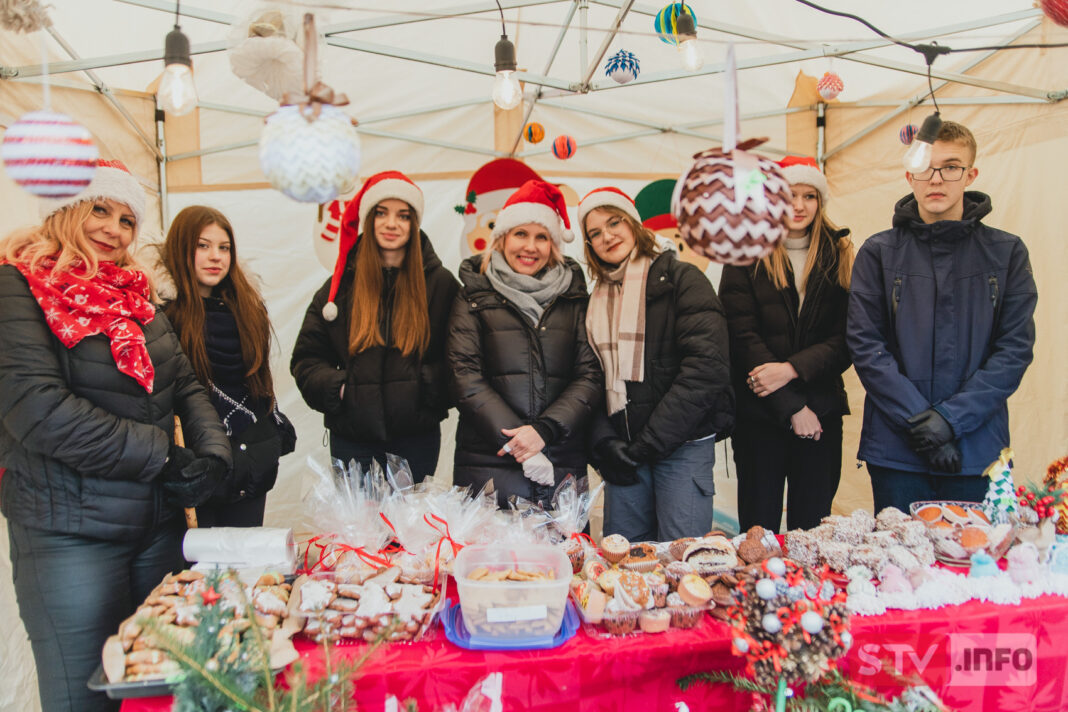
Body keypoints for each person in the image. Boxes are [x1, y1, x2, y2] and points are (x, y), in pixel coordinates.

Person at [0, 160, 231, 712]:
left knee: (164, 683)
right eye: (99, 209)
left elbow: (185, 384)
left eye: (127, 220)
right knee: (86, 694)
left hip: (154, 526)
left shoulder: (137, 295)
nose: (113, 229)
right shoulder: (17, 286)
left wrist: (212, 454)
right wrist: (162, 456)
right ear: (64, 209)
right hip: (69, 532)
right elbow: (39, 409)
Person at [848, 120, 1038, 513]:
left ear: (971, 173)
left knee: (973, 565)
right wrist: (923, 423)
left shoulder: (1006, 253)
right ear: (909, 175)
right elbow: (867, 347)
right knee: (899, 568)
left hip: (976, 448)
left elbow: (1014, 350)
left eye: (950, 167)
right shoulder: (879, 252)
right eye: (925, 168)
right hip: (897, 450)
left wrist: (950, 421)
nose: (936, 179)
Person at [579, 187, 733, 541]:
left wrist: (649, 443)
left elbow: (706, 369)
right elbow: (589, 377)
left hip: (682, 447)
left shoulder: (683, 280)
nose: (607, 236)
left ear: (634, 224)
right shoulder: (595, 301)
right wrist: (604, 444)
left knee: (680, 558)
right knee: (626, 560)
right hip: (625, 450)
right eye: (595, 233)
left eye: (614, 222)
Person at [292, 171, 459, 481]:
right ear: (368, 219)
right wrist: (340, 389)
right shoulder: (340, 286)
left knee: (409, 528)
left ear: (414, 223)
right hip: (353, 440)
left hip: (417, 439)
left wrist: (427, 387)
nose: (391, 224)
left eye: (402, 215)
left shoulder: (440, 285)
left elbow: (461, 357)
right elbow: (306, 359)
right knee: (360, 529)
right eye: (381, 213)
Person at [448, 179, 603, 508]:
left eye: (541, 237)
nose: (530, 247)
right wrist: (519, 441)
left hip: (560, 457)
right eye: (521, 234)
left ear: (553, 244)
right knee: (491, 560)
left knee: (563, 557)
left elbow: (590, 374)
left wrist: (544, 431)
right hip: (489, 461)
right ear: (502, 238)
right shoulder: (474, 294)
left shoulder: (574, 298)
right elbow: (465, 374)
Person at [720, 157, 854, 532]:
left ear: (820, 201)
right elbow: (740, 334)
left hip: (821, 413)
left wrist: (793, 370)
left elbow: (847, 338)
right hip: (760, 414)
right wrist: (793, 406)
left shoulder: (840, 253)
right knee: (758, 530)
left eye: (808, 196)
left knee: (812, 530)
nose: (798, 205)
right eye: (788, 194)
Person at [159, 205, 296, 527]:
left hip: (251, 459)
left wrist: (270, 435)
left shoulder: (249, 310)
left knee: (244, 566)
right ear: (182, 249)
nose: (215, 257)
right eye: (202, 246)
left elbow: (259, 384)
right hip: (197, 463)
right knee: (199, 571)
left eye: (224, 248)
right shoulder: (163, 316)